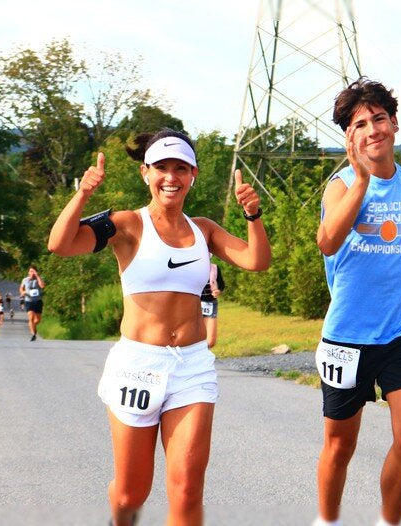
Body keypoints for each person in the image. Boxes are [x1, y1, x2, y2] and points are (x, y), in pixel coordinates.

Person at [47, 128, 271, 526]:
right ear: (145, 174)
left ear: (193, 174)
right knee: (133, 492)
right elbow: (61, 244)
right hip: (137, 365)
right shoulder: (126, 224)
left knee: (187, 488)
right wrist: (82, 194)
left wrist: (253, 214)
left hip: (192, 366)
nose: (172, 177)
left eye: (180, 168)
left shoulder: (204, 229)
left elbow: (256, 260)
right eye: (162, 168)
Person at [313, 78, 401, 526]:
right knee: (340, 446)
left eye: (379, 118)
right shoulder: (339, 187)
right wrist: (360, 181)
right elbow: (328, 241)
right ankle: (327, 520)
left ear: (394, 123)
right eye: (360, 124)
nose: (372, 129)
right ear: (349, 137)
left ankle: (388, 522)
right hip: (348, 336)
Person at [200, 261, 224, 348]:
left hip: (210, 303)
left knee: (210, 341)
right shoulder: (188, 267)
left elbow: (221, 284)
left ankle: (203, 355)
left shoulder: (214, 268)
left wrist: (218, 291)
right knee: (193, 336)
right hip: (193, 303)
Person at [20, 265, 45, 341]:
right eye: (31, 271)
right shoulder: (25, 280)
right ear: (28, 272)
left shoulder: (39, 279)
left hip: (38, 301)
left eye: (34, 271)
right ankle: (33, 334)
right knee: (30, 318)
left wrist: (37, 276)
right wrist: (23, 292)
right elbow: (21, 288)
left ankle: (33, 327)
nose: (32, 273)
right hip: (29, 301)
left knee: (38, 320)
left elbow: (42, 286)